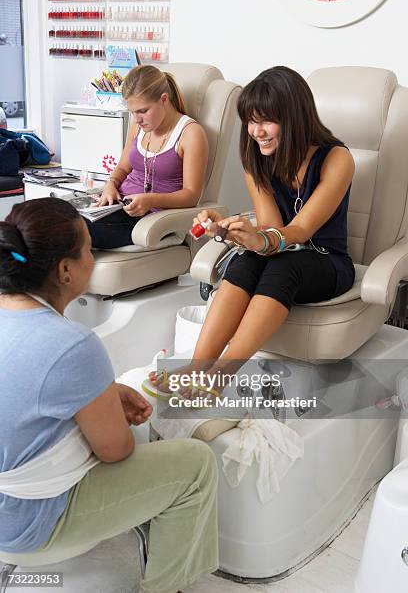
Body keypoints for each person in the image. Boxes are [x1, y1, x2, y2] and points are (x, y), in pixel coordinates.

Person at [0, 198, 218, 593]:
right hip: (27, 530)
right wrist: (109, 406)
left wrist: (105, 391)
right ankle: (167, 587)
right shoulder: (72, 345)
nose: (93, 259)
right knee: (196, 465)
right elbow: (115, 451)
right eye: (88, 251)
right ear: (66, 270)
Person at [148, 65, 355, 397]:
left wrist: (261, 239)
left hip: (326, 261)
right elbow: (272, 228)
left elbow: (300, 229)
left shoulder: (336, 158)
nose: (256, 131)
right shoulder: (257, 159)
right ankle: (198, 367)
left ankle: (221, 374)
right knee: (245, 261)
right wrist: (235, 234)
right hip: (283, 252)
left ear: (295, 118)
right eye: (250, 121)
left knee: (284, 266)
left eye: (266, 121)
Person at [89, 65, 209, 249]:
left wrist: (150, 200)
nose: (136, 119)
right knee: (50, 215)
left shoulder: (190, 133)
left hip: (151, 217)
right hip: (118, 204)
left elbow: (191, 196)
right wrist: (110, 185)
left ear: (164, 99)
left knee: (76, 230)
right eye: (132, 112)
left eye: (143, 111)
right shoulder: (138, 126)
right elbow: (122, 168)